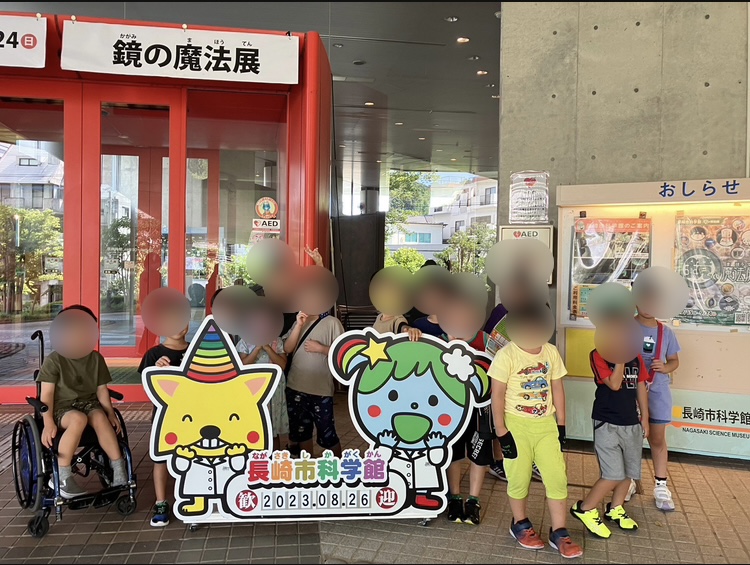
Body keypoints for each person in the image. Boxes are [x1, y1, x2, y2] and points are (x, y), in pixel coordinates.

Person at [488, 307, 583, 559]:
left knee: (556, 477)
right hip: (515, 426)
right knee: (518, 477)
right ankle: (520, 524)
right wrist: (501, 431)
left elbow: (557, 388)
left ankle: (559, 532)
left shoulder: (550, 352)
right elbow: (497, 395)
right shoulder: (506, 355)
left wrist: (561, 424)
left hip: (546, 425)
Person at [37, 305, 128, 499]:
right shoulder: (55, 360)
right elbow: (47, 394)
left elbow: (102, 390)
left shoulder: (95, 358)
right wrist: (48, 422)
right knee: (78, 419)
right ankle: (62, 477)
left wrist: (110, 413)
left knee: (100, 417)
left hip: (89, 404)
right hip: (62, 408)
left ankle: (119, 468)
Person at [570, 323, 650, 538]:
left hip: (631, 422)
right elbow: (614, 384)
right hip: (607, 423)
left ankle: (615, 508)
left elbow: (641, 385)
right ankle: (585, 508)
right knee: (613, 473)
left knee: (629, 472)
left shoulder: (636, 357)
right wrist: (620, 358)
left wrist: (645, 417)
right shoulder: (598, 355)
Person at [137, 323, 190, 527]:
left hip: (192, 416)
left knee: (191, 456)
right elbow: (149, 390)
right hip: (164, 416)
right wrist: (158, 372)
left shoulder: (197, 350)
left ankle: (191, 497)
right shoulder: (153, 355)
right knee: (161, 458)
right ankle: (161, 503)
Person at [443, 328, 493, 526]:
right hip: (451, 408)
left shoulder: (485, 339)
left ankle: (473, 500)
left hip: (480, 408)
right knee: (453, 454)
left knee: (479, 454)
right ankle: (454, 498)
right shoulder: (439, 340)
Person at [635, 301, 681, 511]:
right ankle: (629, 481)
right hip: (630, 390)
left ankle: (661, 485)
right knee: (630, 438)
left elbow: (674, 360)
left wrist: (665, 367)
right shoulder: (625, 327)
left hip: (658, 391)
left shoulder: (666, 332)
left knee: (657, 438)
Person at [284, 309, 345, 458]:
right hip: (295, 386)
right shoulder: (299, 321)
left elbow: (344, 352)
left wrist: (321, 349)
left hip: (321, 389)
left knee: (328, 433)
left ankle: (339, 468)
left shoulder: (333, 322)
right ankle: (308, 465)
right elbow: (287, 348)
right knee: (302, 433)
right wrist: (299, 325)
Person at [236, 335, 289, 451]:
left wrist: (268, 348)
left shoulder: (277, 341)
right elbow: (242, 366)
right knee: (255, 425)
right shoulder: (245, 341)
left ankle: (274, 456)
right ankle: (255, 456)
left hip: (274, 391)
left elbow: (282, 365)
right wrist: (257, 349)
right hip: (253, 390)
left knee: (272, 428)